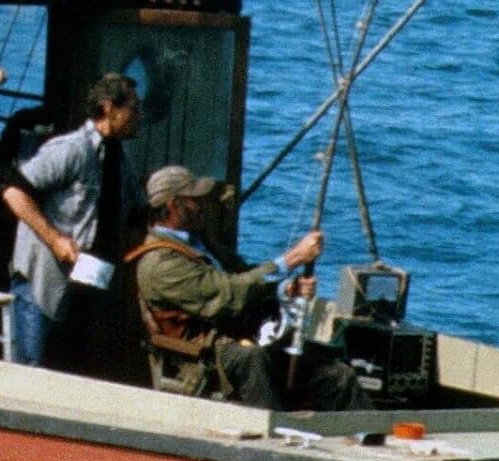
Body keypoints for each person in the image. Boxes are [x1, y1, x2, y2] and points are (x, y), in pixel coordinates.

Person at [130, 164, 369, 411]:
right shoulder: (159, 263)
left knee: (335, 372)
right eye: (194, 200)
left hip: (242, 338)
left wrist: (286, 288)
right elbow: (228, 294)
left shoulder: (199, 245)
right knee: (252, 360)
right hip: (204, 355)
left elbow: (244, 275)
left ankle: (369, 430)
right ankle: (272, 426)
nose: (202, 206)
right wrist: (293, 258)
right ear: (173, 205)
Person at [1, 74, 142, 369]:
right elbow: (14, 192)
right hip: (45, 280)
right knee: (31, 368)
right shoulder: (72, 149)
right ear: (109, 108)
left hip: (88, 283)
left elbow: (137, 213)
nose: (139, 116)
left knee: (71, 368)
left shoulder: (121, 161)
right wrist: (55, 240)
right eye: (133, 108)